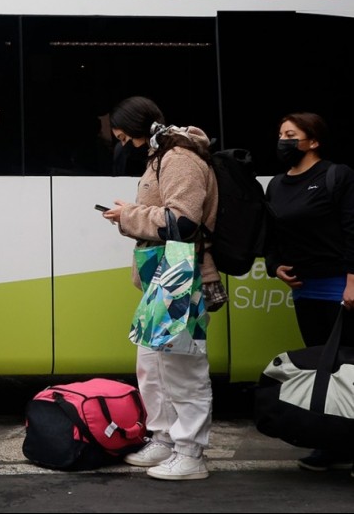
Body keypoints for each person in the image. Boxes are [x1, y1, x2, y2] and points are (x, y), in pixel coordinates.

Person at [102, 96, 219, 481]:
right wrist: (130, 214)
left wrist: (127, 215)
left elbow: (184, 223)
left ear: (139, 127)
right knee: (152, 363)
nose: (124, 145)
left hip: (182, 273)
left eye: (124, 137)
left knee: (182, 365)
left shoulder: (179, 157)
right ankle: (165, 438)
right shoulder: (162, 154)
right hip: (164, 273)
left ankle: (190, 453)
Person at [263, 111, 354, 472]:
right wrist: (275, 266)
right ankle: (333, 444)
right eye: (281, 134)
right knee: (325, 368)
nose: (283, 141)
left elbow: (352, 228)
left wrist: (352, 280)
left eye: (291, 134)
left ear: (313, 141)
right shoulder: (276, 184)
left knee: (350, 367)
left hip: (339, 287)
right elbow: (272, 234)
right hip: (305, 290)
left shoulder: (337, 175)